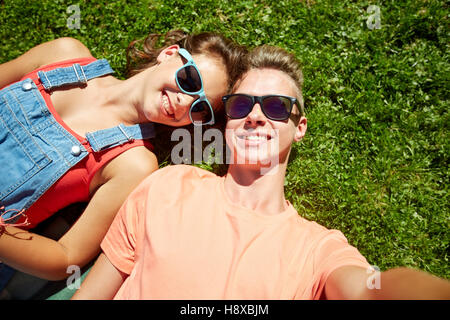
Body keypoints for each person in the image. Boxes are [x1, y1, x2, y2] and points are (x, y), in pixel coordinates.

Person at [72, 45, 450, 300]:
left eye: (274, 106)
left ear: (299, 127)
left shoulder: (318, 248)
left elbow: (370, 291)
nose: (254, 116)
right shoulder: (168, 186)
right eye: (240, 106)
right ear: (226, 123)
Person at [0, 30, 247, 293]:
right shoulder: (64, 54)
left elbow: (66, 256)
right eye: (189, 79)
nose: (184, 102)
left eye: (200, 108)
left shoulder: (133, 163)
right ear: (170, 54)